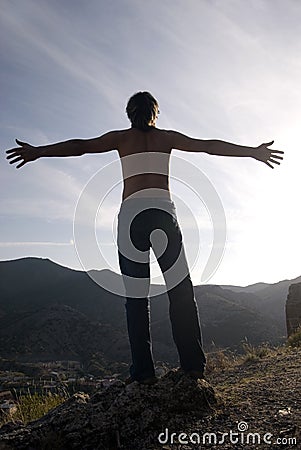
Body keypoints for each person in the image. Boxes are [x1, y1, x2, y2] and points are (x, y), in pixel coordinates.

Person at [6, 91, 284, 385]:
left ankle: (143, 373)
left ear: (129, 114)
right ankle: (193, 367)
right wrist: (252, 151)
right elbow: (209, 147)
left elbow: (80, 147)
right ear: (155, 113)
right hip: (163, 215)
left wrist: (38, 151)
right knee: (180, 292)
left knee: (136, 299)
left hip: (131, 219)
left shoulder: (120, 138)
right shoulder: (167, 138)